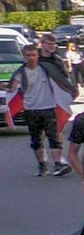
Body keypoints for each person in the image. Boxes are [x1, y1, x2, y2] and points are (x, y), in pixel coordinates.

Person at [6, 35, 78, 175]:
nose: (31, 58)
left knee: (54, 136)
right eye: (28, 55)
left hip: (48, 107)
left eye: (33, 55)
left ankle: (58, 164)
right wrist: (7, 89)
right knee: (36, 139)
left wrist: (71, 90)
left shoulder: (47, 67)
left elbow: (61, 79)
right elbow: (12, 89)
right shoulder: (20, 72)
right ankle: (42, 165)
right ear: (24, 57)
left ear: (37, 56)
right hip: (31, 109)